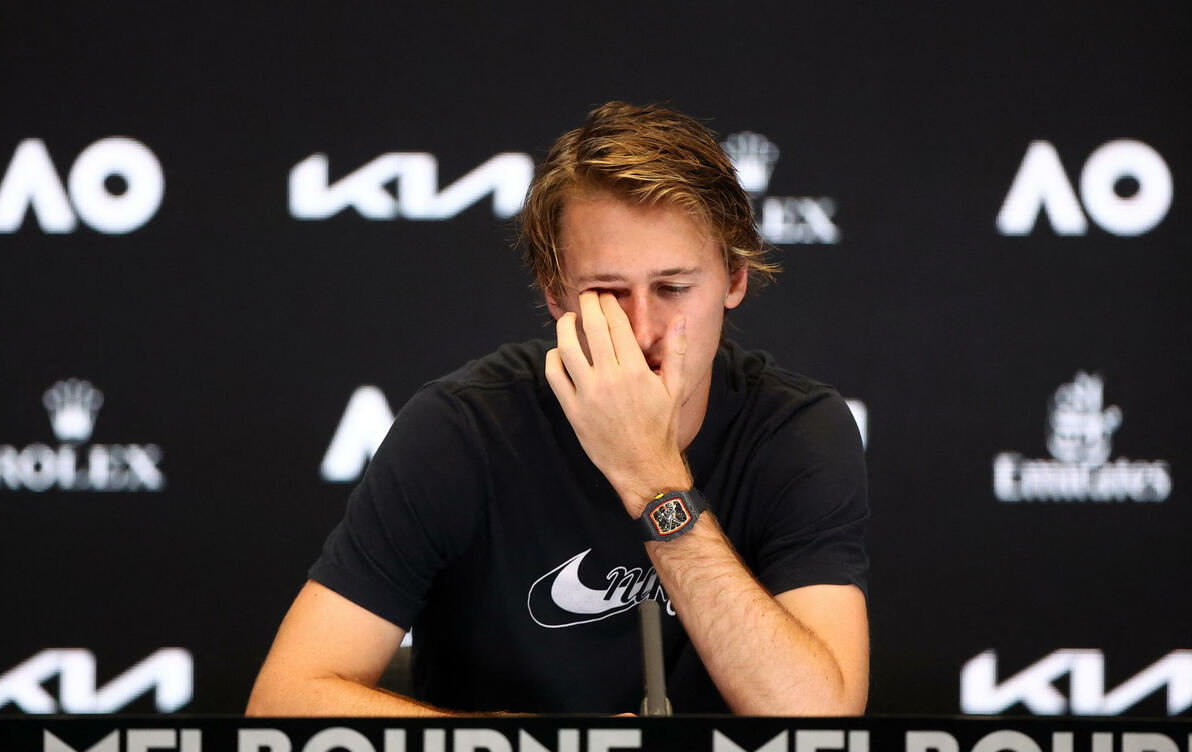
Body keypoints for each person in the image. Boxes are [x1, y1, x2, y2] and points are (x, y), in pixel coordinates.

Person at [247, 101, 869, 717]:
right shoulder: (462, 429)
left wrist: (651, 478)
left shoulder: (798, 432)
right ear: (554, 291)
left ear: (734, 280)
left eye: (674, 288)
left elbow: (818, 721)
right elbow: (284, 702)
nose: (642, 330)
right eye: (607, 292)